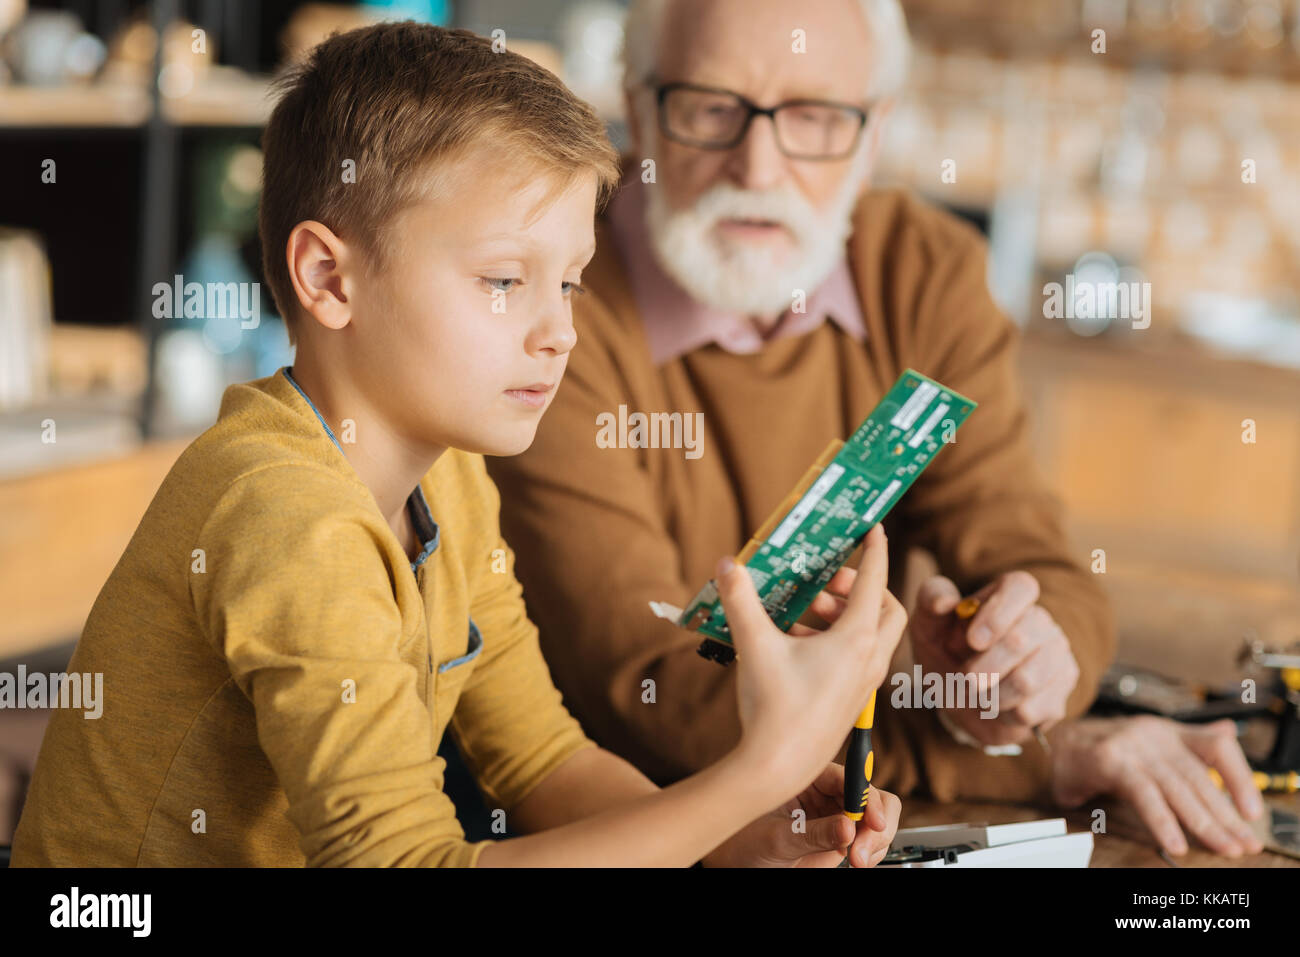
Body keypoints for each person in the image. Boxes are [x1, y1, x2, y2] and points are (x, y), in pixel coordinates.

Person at [10, 22, 906, 869]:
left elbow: (543, 761)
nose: (558, 332)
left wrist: (728, 831)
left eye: (570, 283)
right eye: (505, 280)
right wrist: (760, 768)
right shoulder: (286, 512)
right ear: (328, 277)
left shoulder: (455, 477)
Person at [485, 0, 1264, 858]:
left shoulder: (924, 273)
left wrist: (1024, 668)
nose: (760, 164)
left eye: (815, 117)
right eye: (711, 107)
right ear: (638, 107)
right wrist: (1032, 751)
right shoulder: (557, 301)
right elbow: (649, 691)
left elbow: (1045, 573)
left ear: (873, 129)